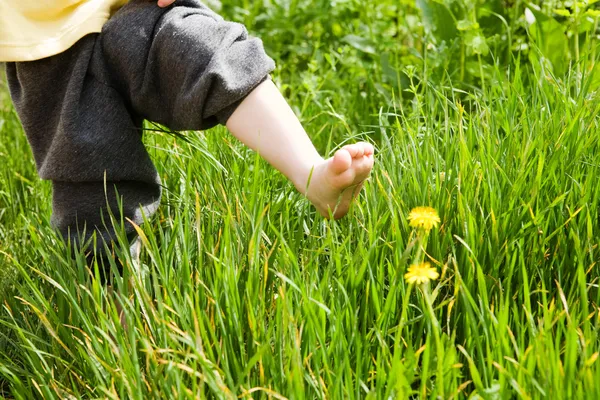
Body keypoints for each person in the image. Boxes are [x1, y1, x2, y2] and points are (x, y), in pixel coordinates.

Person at [1, 0, 375, 268]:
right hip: (44, 35)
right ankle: (118, 298)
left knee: (205, 50)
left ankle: (311, 173)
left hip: (141, 7)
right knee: (86, 162)